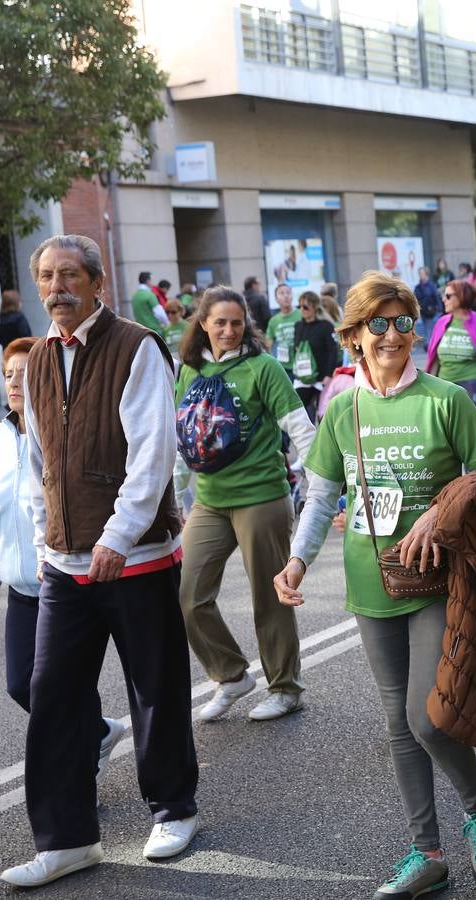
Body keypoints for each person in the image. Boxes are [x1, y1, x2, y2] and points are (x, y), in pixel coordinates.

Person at [275, 272, 476, 898]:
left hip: (435, 581)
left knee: (426, 718)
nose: (392, 335)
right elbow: (323, 497)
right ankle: (426, 851)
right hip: (369, 578)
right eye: (377, 324)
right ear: (353, 335)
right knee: (397, 725)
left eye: (403, 322)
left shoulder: (445, 399)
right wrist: (297, 561)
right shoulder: (343, 407)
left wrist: (442, 510)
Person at [1, 235, 197, 887]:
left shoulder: (136, 347)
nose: (56, 288)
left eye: (69, 276)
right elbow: (38, 465)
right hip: (65, 564)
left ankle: (172, 807)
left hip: (136, 557)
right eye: (46, 277)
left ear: (97, 282)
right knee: (52, 693)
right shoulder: (36, 359)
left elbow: (152, 453)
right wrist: (44, 537)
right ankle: (65, 839)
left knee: (154, 687)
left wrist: (118, 535)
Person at [0, 335, 127, 776]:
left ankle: (77, 783)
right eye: (8, 375)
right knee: (21, 684)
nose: (15, 382)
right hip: (21, 588)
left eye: (24, 373)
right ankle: (98, 732)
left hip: (63, 582)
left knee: (64, 686)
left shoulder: (62, 431)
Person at [174, 287, 316, 723]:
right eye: (220, 322)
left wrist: (322, 491)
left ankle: (285, 688)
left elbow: (301, 429)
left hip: (261, 496)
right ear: (203, 324)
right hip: (210, 501)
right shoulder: (189, 372)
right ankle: (231, 674)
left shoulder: (263, 368)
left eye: (237, 323)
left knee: (268, 598)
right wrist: (178, 497)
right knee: (188, 596)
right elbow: (182, 440)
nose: (229, 331)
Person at [425, 279, 476, 410]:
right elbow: (434, 359)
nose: (444, 299)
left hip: (473, 383)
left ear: (461, 297)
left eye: (448, 296)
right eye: (444, 295)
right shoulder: (441, 323)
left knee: (468, 427)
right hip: (445, 384)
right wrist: (429, 385)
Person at [286, 291, 341, 419]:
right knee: (298, 412)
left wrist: (328, 374)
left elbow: (333, 351)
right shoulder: (298, 326)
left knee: (324, 414)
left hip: (322, 377)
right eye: (299, 307)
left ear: (315, 307)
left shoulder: (326, 326)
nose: (302, 310)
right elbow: (296, 350)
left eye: (305, 307)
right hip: (303, 377)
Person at [414, 266, 441, 340]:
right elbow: (415, 299)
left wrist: (438, 309)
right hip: (423, 312)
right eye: (420, 273)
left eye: (422, 273)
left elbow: (436, 297)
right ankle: (430, 346)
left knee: (430, 331)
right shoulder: (418, 287)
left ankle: (429, 346)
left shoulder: (432, 285)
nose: (421, 275)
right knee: (428, 330)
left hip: (432, 312)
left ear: (426, 274)